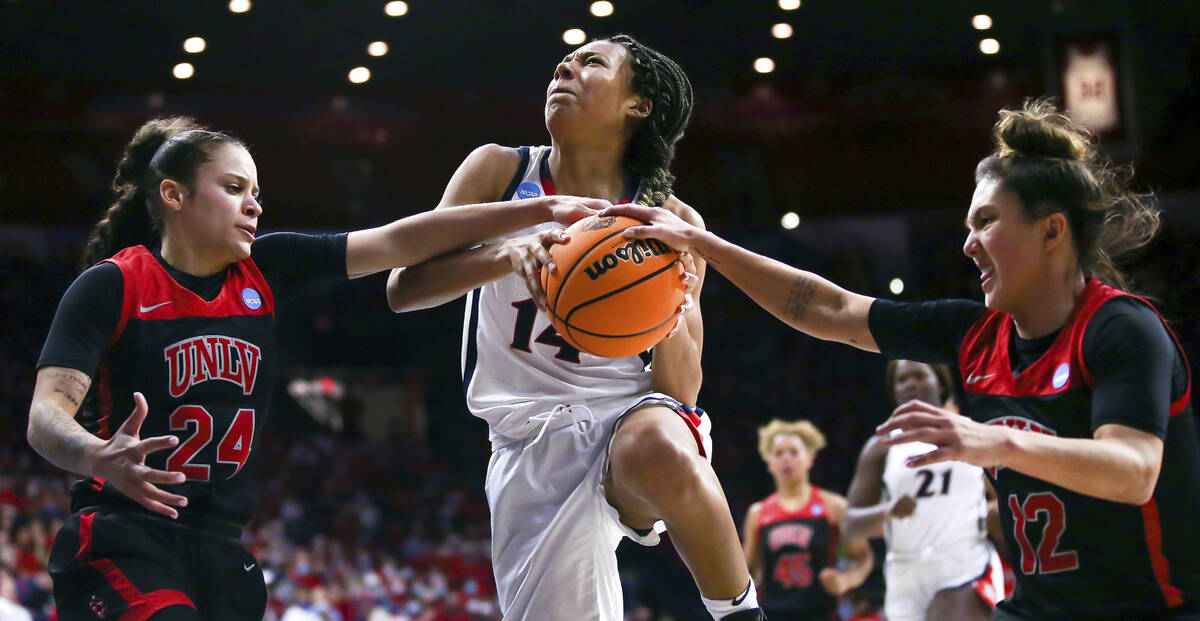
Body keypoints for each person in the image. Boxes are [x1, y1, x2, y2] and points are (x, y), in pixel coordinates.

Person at [601, 98, 1200, 620]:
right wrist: (703, 244)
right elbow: (826, 308)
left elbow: (1133, 469)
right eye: (967, 225)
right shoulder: (972, 334)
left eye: (987, 221)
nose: (967, 243)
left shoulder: (1120, 327)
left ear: (1052, 232)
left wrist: (995, 443)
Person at [26, 117, 602, 621]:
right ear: (174, 196)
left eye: (256, 191)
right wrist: (93, 454)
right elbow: (46, 415)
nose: (253, 203)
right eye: (233, 188)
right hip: (123, 536)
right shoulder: (115, 284)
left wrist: (542, 207)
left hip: (222, 545)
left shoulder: (268, 268)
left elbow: (401, 239)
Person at [386, 35, 763, 620]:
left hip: (625, 417)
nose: (565, 65)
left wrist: (665, 304)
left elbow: (681, 392)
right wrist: (508, 252)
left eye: (592, 62)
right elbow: (403, 288)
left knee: (663, 442)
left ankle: (742, 613)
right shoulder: (500, 170)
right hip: (525, 436)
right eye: (567, 58)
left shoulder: (675, 219)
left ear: (637, 105)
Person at [842, 360, 1003, 621]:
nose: (911, 383)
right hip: (905, 574)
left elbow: (1007, 499)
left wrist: (993, 514)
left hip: (964, 563)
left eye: (919, 375)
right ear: (894, 391)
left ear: (940, 383)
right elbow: (850, 526)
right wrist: (887, 511)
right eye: (902, 379)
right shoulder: (881, 447)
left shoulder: (971, 431)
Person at [742, 419, 873, 620]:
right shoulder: (758, 513)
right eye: (778, 453)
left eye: (794, 452)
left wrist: (847, 579)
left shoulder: (834, 506)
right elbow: (746, 571)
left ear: (810, 459)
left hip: (821, 613)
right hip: (772, 613)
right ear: (770, 464)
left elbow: (864, 558)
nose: (786, 459)